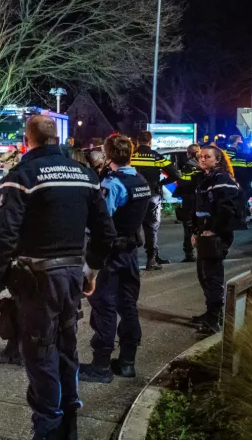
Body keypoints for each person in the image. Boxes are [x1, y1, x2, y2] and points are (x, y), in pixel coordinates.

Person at [0, 116, 116, 440]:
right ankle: (69, 429)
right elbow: (105, 234)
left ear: (28, 139)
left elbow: (5, 237)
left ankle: (48, 429)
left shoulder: (22, 176)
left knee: (40, 356)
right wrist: (90, 271)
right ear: (55, 137)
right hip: (71, 277)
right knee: (67, 351)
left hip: (38, 281)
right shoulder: (86, 176)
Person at [79, 135, 151, 383]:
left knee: (104, 307)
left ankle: (100, 367)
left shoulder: (113, 183)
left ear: (109, 155)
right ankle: (128, 362)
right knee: (128, 307)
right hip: (130, 253)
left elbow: (103, 221)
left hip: (110, 255)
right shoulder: (140, 180)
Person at [190, 145, 244, 334]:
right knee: (203, 275)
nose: (202, 159)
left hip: (216, 236)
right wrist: (196, 231)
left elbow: (226, 209)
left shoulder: (221, 178)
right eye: (200, 156)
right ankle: (211, 313)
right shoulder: (207, 177)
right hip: (205, 233)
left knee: (212, 277)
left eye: (207, 157)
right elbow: (202, 208)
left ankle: (214, 321)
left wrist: (212, 231)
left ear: (218, 160)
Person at [130, 131, 180, 270]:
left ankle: (131, 260)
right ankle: (151, 259)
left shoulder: (131, 156)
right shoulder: (156, 157)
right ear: (150, 142)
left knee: (132, 227)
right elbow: (175, 174)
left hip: (132, 197)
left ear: (137, 142)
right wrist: (161, 183)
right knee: (151, 227)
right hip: (152, 195)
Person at [172, 144, 202, 262]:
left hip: (189, 200)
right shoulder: (204, 164)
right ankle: (204, 251)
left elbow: (183, 183)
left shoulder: (188, 165)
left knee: (189, 227)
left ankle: (189, 253)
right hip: (202, 200)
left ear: (188, 153)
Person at [224, 134, 252, 223]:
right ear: (237, 142)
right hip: (243, 180)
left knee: (231, 198)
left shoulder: (224, 153)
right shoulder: (244, 154)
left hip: (229, 180)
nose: (242, 142)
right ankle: (240, 218)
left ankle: (232, 217)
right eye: (240, 140)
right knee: (242, 199)